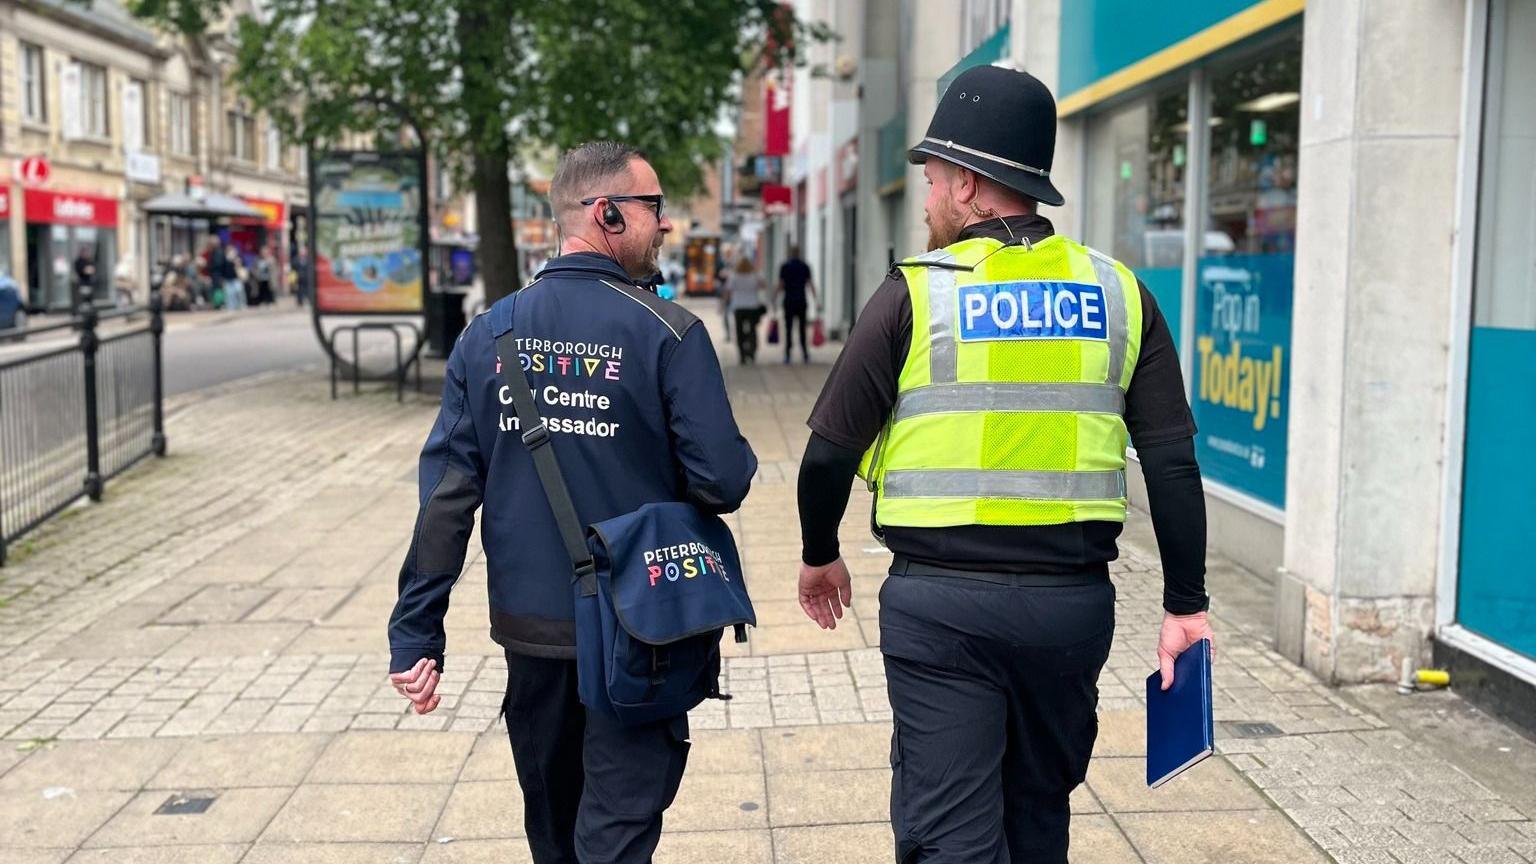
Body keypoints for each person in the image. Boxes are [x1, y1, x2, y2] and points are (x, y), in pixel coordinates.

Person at [794, 66, 1214, 863]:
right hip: (1071, 613)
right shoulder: (1122, 293)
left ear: (967, 183)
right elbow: (1172, 464)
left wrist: (820, 555)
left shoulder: (914, 293)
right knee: (1036, 818)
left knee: (950, 835)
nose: (924, 199)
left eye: (929, 180)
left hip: (942, 613)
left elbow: (825, 458)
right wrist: (1186, 605)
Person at [388, 141, 757, 864]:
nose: (666, 225)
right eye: (654, 208)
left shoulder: (487, 335)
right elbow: (725, 481)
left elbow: (446, 498)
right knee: (617, 834)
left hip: (533, 632)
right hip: (641, 628)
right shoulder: (669, 333)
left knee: (555, 833)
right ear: (607, 212)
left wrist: (416, 634)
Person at [721, 255, 767, 364]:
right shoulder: (755, 275)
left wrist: (723, 304)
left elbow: (728, 291)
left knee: (739, 331)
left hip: (738, 307)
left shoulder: (734, 276)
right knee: (752, 331)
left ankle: (742, 355)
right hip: (752, 307)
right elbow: (763, 286)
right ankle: (752, 352)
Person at [774, 245, 816, 364]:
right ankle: (805, 354)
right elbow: (810, 284)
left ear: (790, 253)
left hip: (789, 301)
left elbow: (781, 284)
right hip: (801, 301)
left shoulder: (785, 267)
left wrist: (775, 297)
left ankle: (787, 354)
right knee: (802, 328)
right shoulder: (805, 266)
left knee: (788, 328)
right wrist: (815, 299)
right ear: (799, 253)